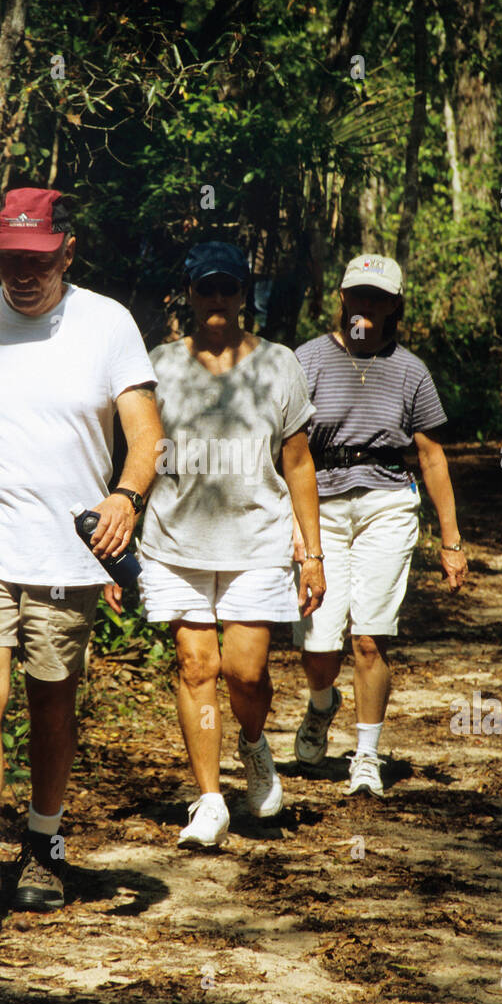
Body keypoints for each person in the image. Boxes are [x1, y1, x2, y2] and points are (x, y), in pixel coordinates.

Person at [0, 187, 163, 936]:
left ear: (66, 251)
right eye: (9, 259)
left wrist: (126, 498)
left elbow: (145, 434)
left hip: (67, 553)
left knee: (51, 696)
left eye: (37, 260)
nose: (22, 273)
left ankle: (43, 841)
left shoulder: (107, 324)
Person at [133, 241, 326, 848]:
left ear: (246, 295)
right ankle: (209, 799)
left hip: (257, 540)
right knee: (196, 666)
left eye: (229, 288)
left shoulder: (278, 364)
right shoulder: (158, 365)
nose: (217, 300)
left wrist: (313, 554)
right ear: (188, 294)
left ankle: (252, 741)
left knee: (245, 671)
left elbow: (298, 463)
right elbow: (132, 453)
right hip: (172, 541)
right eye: (205, 288)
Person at [292, 253, 468, 797]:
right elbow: (285, 449)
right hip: (318, 504)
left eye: (378, 297)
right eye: (358, 295)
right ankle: (323, 703)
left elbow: (432, 456)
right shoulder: (307, 360)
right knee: (319, 642)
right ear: (341, 298)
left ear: (394, 306)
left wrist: (451, 539)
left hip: (387, 502)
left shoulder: (411, 370)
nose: (365, 306)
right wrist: (292, 524)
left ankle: (365, 754)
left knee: (369, 638)